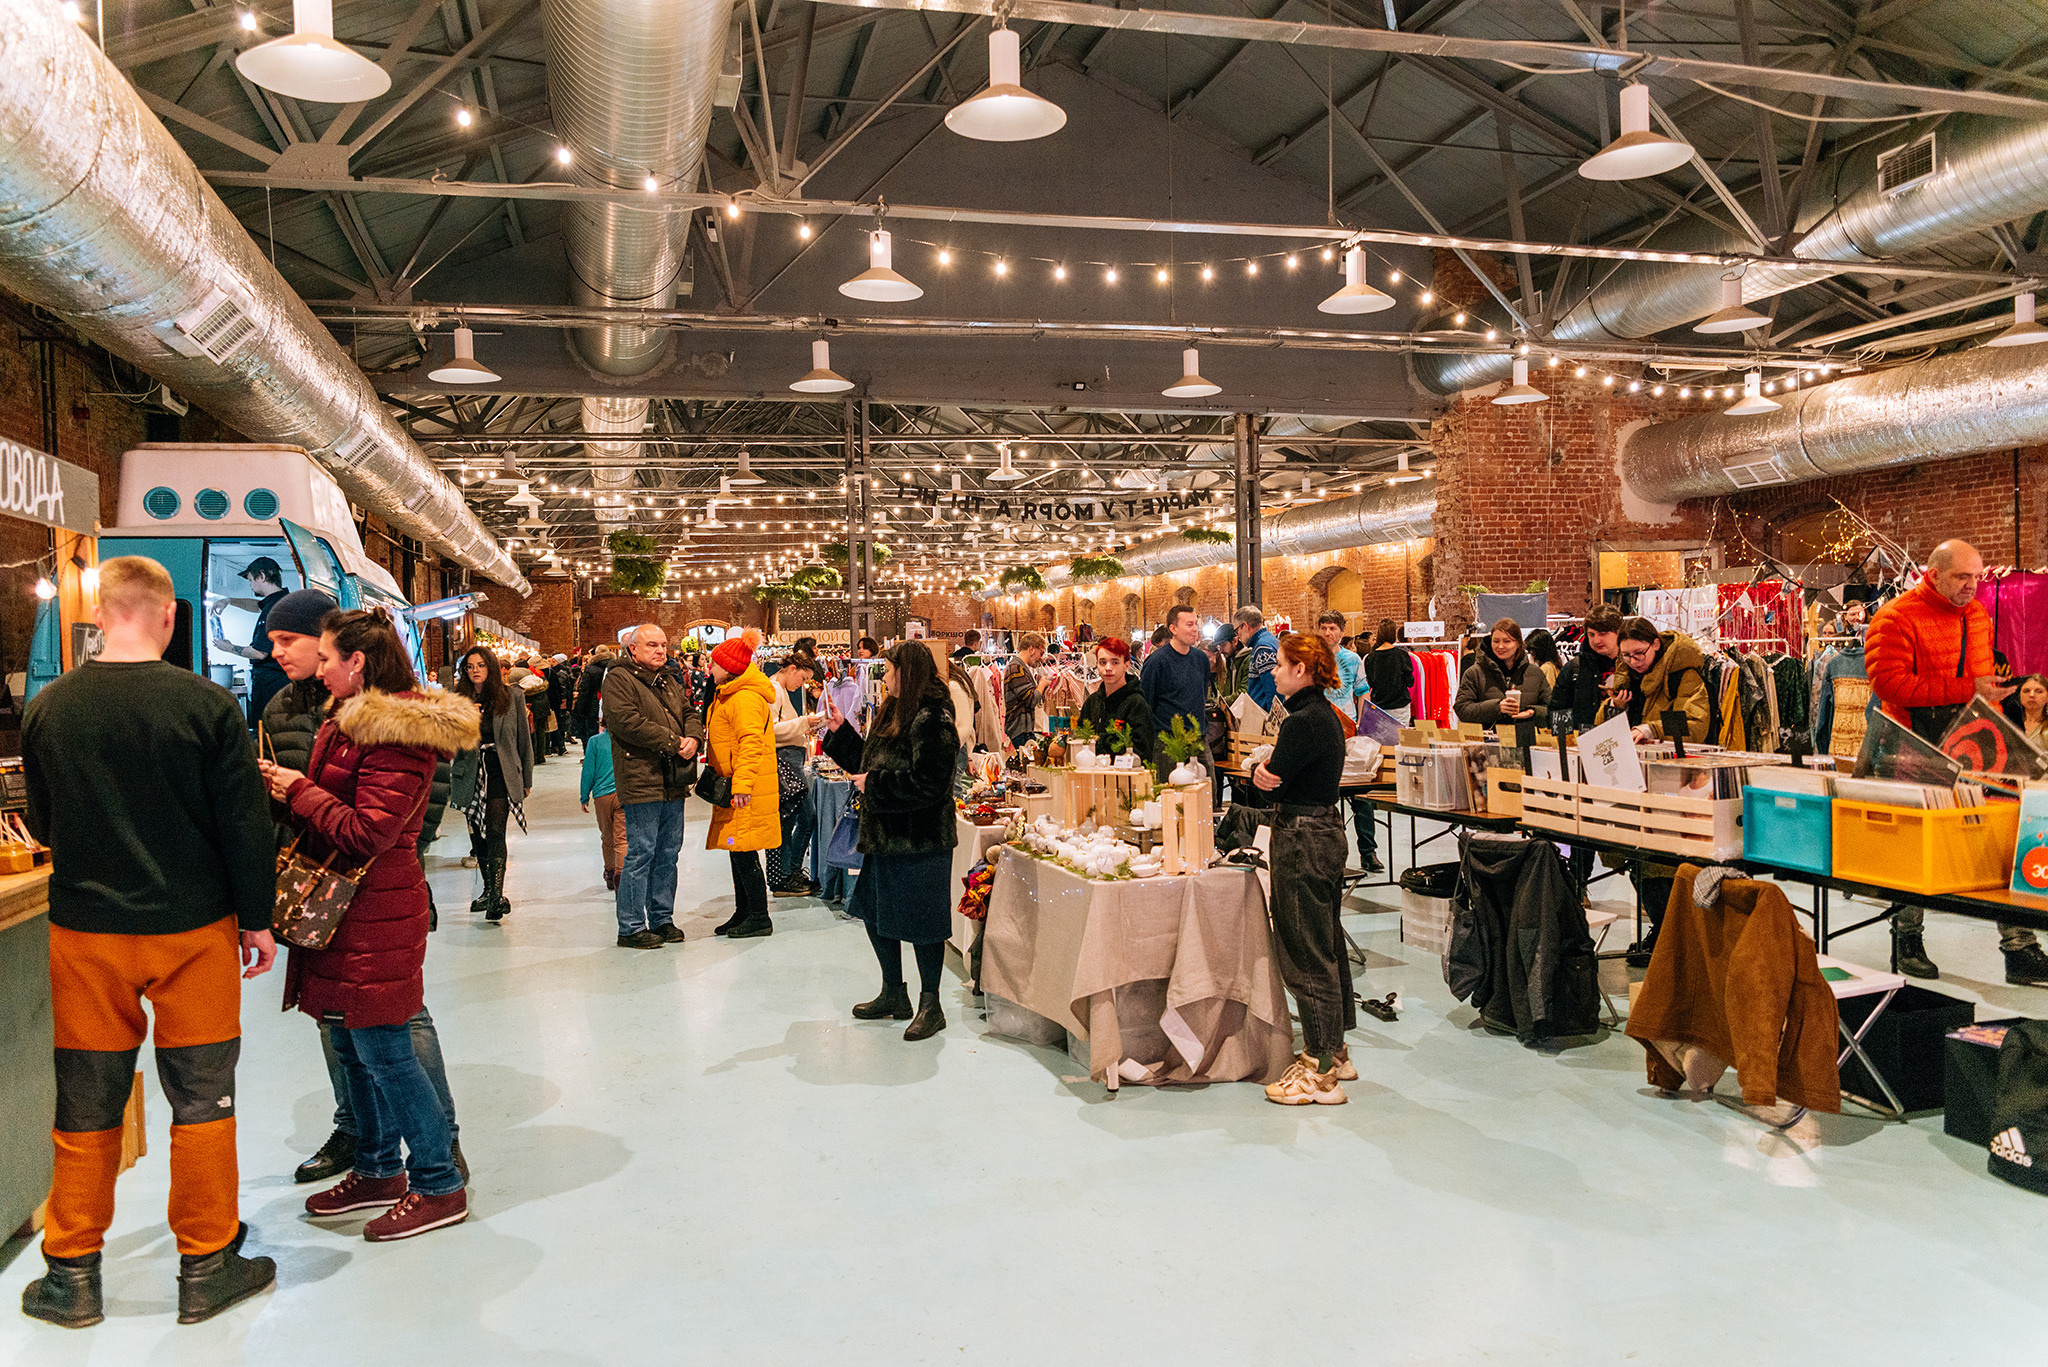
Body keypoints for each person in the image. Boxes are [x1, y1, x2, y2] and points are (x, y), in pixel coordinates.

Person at [21, 556, 279, 1328]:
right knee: (203, 1095)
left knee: (88, 1096)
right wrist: (257, 919)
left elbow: (41, 823)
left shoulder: (50, 708)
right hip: (192, 931)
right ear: (168, 617)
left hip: (85, 932)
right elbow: (244, 826)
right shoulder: (204, 707)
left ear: (101, 614)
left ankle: (71, 1273)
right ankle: (207, 1264)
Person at [263, 609, 477, 1243]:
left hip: (375, 910)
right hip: (345, 910)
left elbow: (371, 831)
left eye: (327, 657)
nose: (319, 667)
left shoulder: (396, 732)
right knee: (356, 1049)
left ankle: (438, 1183)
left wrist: (298, 791)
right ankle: (379, 1168)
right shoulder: (347, 721)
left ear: (356, 663)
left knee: (387, 1052)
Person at [1866, 540, 2048, 984]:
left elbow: (1981, 682)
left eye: (1978, 576)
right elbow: (1890, 685)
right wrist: (1969, 690)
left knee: (2002, 835)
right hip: (1913, 744)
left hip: (1976, 740)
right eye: (1963, 577)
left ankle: (2020, 948)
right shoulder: (1894, 617)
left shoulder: (1977, 615)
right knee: (1915, 844)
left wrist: (2001, 720)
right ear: (1934, 573)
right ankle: (1906, 938)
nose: (1973, 585)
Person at [825, 641, 959, 1041]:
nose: (883, 677)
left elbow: (933, 784)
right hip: (885, 835)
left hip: (920, 839)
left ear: (908, 672)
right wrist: (841, 735)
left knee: (923, 924)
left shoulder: (933, 716)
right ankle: (894, 993)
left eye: (888, 670)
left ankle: (931, 1005)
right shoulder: (892, 711)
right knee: (875, 912)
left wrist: (877, 786)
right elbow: (869, 764)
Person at [1251, 632, 1355, 1105]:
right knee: (1325, 943)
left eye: (1282, 664)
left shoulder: (1301, 722)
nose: (1274, 671)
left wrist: (1262, 775)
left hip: (1301, 837)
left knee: (1305, 951)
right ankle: (1334, 1049)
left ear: (1301, 670)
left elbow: (1274, 783)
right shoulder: (1328, 716)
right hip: (1326, 832)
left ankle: (1318, 1068)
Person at [1597, 617, 1711, 963]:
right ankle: (1664, 933)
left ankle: (1668, 937)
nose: (1633, 661)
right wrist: (1615, 707)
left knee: (1660, 863)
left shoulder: (1683, 674)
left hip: (1675, 783)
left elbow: (1696, 725)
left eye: (1639, 653)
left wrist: (1651, 728)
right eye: (1626, 656)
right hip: (1636, 780)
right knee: (1636, 858)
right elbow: (1608, 728)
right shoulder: (1628, 678)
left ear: (1656, 645)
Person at [603, 625, 706, 948]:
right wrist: (675, 742)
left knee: (668, 853)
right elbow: (626, 722)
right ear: (633, 649)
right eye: (652, 645)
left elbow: (690, 712)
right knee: (642, 853)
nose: (660, 650)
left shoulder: (669, 678)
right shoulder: (619, 679)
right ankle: (631, 926)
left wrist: (694, 738)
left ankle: (662, 918)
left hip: (673, 779)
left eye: (663, 645)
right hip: (641, 777)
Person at [703, 633, 781, 939]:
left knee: (744, 851)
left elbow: (752, 744)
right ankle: (744, 911)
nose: (710, 667)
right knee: (737, 850)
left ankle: (759, 917)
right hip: (737, 785)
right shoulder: (731, 692)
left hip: (745, 790)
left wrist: (742, 786)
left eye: (715, 662)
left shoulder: (744, 698)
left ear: (729, 666)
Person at [450, 646, 533, 924]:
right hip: (469, 772)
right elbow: (448, 742)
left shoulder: (511, 697)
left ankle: (497, 896)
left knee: (496, 829)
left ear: (491, 669)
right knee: (477, 834)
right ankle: (487, 890)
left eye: (481, 665)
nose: (475, 670)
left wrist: (527, 778)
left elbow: (524, 740)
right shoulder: (456, 701)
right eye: (470, 666)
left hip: (500, 769)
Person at [1550, 604, 1624, 894]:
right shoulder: (1577, 667)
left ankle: (1645, 888)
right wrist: (1566, 742)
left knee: (1629, 823)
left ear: (1618, 633)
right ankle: (1578, 888)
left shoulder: (1634, 665)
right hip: (1583, 755)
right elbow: (1558, 709)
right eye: (1592, 633)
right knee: (1582, 826)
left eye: (1604, 633)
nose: (1597, 640)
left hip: (1626, 753)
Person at [1316, 612, 1380, 875]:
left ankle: (1368, 851)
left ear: (1342, 632)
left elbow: (1363, 692)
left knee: (1362, 795)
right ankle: (1329, 852)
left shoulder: (1352, 659)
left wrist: (1363, 724)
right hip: (1320, 732)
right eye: (1323, 627)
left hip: (1349, 731)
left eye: (1332, 628)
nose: (1327, 632)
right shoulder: (1311, 658)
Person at [768, 653, 826, 898]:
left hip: (789, 765)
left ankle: (788, 873)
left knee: (798, 819)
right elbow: (769, 730)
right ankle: (784, 876)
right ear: (792, 669)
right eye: (803, 678)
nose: (801, 685)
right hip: (784, 766)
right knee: (792, 820)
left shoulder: (779, 690)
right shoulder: (773, 690)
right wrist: (805, 722)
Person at [209, 555, 292, 723]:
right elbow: (256, 606)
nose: (250, 584)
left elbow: (260, 653)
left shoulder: (274, 610)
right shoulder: (279, 602)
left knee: (266, 733)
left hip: (272, 686)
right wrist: (228, 601)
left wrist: (228, 647)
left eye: (251, 580)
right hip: (277, 684)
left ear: (261, 576)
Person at [1141, 606, 1212, 782]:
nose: (1195, 629)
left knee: (1208, 792)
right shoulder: (1157, 661)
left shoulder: (1200, 658)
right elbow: (1146, 701)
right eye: (1189, 624)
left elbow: (1202, 693)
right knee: (1171, 795)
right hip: (1167, 741)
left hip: (1197, 738)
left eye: (1196, 623)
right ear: (1173, 629)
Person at [1455, 618, 1552, 728]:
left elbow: (1552, 709)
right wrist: (1497, 707)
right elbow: (1461, 708)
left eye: (1507, 641)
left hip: (1525, 741)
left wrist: (1533, 712)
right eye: (1496, 641)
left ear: (1518, 643)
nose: (1500, 646)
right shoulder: (1475, 673)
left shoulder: (1535, 673)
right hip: (1488, 742)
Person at [1076, 636, 1154, 763]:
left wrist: (1102, 742)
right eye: (1102, 662)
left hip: (1125, 778)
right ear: (1097, 665)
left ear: (1126, 665)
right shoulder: (1092, 702)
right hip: (1092, 776)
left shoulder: (1136, 704)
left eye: (1115, 662)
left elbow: (1143, 750)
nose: (1108, 668)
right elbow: (1079, 738)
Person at [581, 717, 625, 892]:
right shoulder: (626, 740)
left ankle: (610, 871)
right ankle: (621, 878)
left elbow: (588, 770)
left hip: (602, 797)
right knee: (623, 839)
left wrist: (584, 796)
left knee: (607, 837)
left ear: (602, 722)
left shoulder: (595, 742)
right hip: (624, 794)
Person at [1002, 631, 1050, 749]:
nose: (1041, 658)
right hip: (1020, 731)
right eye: (1041, 652)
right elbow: (1031, 700)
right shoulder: (1016, 668)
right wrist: (1042, 685)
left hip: (1024, 729)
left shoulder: (1020, 667)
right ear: (1031, 649)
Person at [1361, 618, 1413, 725]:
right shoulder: (1402, 655)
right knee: (1401, 739)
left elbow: (1371, 682)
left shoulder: (1371, 657)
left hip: (1379, 706)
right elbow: (1410, 682)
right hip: (1400, 706)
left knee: (1381, 740)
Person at [1233, 606, 1281, 711]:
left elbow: (1273, 690)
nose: (1237, 637)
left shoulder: (1263, 648)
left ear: (1245, 626)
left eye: (1236, 631)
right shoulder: (1269, 641)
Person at [945, 657, 980, 794]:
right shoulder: (955, 684)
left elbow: (962, 725)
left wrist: (947, 748)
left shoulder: (953, 686)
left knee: (954, 792)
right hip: (956, 747)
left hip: (954, 748)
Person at [571, 645, 616, 744]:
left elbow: (585, 690)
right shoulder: (615, 667)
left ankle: (591, 756)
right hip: (612, 704)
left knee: (591, 733)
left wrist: (580, 709)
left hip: (592, 705)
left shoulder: (591, 668)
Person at [2005, 673, 2048, 745]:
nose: (2032, 695)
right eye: (2026, 691)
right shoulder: (2008, 723)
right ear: (2020, 696)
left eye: (2039, 691)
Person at [546, 653, 574, 755]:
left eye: (553, 661)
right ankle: (558, 745)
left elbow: (562, 688)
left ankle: (559, 745)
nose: (551, 664)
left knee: (558, 723)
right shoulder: (564, 671)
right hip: (563, 701)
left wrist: (563, 700)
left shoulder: (560, 672)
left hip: (561, 701)